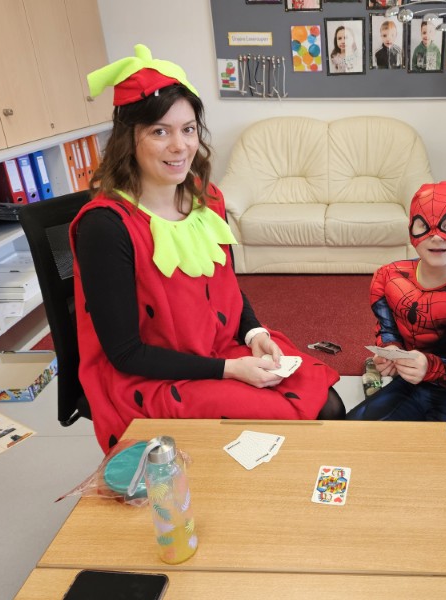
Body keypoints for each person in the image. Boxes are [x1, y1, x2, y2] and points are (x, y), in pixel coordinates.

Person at [72, 44, 343, 452]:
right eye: (159, 131)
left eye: (188, 129)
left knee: (328, 403)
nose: (180, 146)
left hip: (220, 349)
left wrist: (253, 332)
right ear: (128, 139)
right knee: (302, 421)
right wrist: (230, 369)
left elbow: (226, 286)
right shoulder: (106, 227)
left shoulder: (207, 198)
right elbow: (126, 354)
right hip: (153, 376)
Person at [347, 181, 446, 421]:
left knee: (435, 442)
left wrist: (430, 367)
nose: (436, 236)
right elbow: (387, 330)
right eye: (424, 225)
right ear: (411, 231)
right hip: (407, 380)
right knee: (354, 430)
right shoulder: (389, 277)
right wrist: (390, 351)